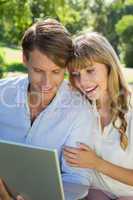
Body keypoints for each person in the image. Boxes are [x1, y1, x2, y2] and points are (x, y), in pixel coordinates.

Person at [0, 19, 94, 200]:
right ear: (24, 59)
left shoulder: (80, 111)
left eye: (56, 72)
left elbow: (77, 179)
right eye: (38, 70)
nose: (47, 83)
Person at [64, 32, 133, 200]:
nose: (83, 82)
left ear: (109, 66)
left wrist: (97, 163)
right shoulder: (80, 107)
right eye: (76, 74)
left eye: (90, 71)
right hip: (89, 194)